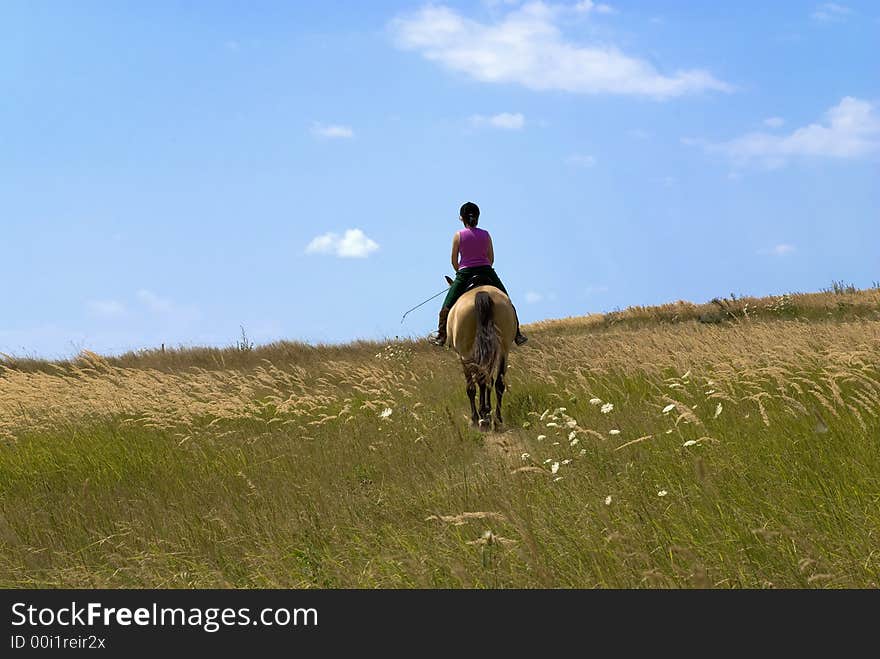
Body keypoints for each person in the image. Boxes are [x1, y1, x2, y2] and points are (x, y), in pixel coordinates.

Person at [430, 201, 528, 347]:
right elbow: (491, 258)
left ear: (461, 218)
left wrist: (460, 272)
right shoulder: (486, 234)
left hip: (465, 273)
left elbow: (453, 261)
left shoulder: (458, 235)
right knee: (507, 300)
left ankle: (441, 335)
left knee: (446, 306)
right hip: (486, 270)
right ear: (478, 217)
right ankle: (517, 334)